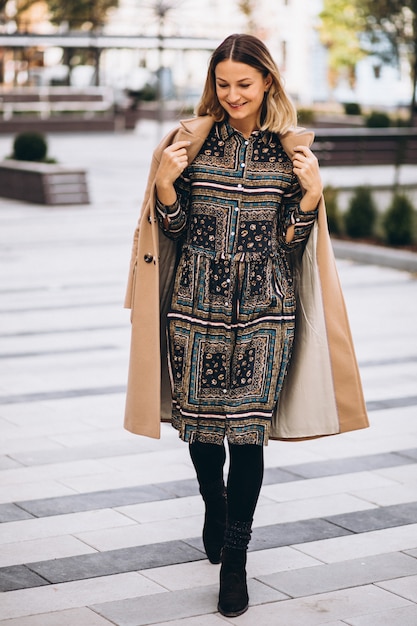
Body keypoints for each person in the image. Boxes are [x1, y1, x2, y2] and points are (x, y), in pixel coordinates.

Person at [124, 33, 368, 618]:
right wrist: (163, 187)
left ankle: (236, 563)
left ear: (267, 84)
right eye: (223, 84)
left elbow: (291, 246)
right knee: (205, 432)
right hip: (195, 305)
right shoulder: (190, 146)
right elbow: (173, 233)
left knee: (249, 435)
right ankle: (215, 502)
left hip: (265, 310)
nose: (233, 95)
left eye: (245, 84)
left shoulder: (291, 153)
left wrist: (309, 200)